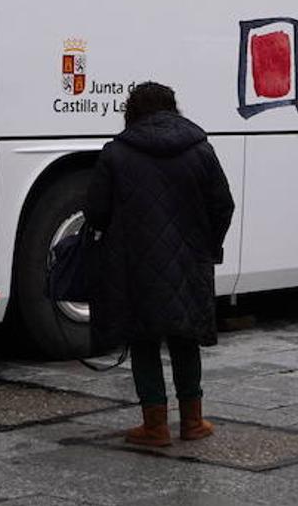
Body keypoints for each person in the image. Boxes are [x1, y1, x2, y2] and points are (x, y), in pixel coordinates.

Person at [86, 82, 235, 447]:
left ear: (132, 112)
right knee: (185, 338)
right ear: (173, 108)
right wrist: (207, 245)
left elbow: (95, 212)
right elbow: (223, 205)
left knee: (144, 340)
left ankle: (154, 425)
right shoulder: (200, 149)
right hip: (189, 263)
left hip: (134, 265)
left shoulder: (116, 153)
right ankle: (193, 422)